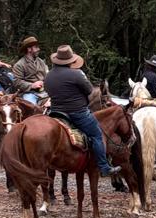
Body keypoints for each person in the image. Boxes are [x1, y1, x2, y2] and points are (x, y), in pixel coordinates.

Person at [43, 44, 114, 176]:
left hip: (56, 112)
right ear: (70, 60)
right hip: (77, 112)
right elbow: (89, 90)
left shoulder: (48, 76)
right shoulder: (76, 74)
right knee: (97, 135)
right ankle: (104, 167)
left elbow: (48, 90)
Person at [12, 36, 48, 100]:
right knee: (30, 105)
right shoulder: (19, 65)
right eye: (36, 47)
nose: (39, 49)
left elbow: (47, 75)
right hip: (29, 93)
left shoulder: (41, 61)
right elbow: (17, 82)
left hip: (45, 90)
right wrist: (32, 85)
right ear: (29, 49)